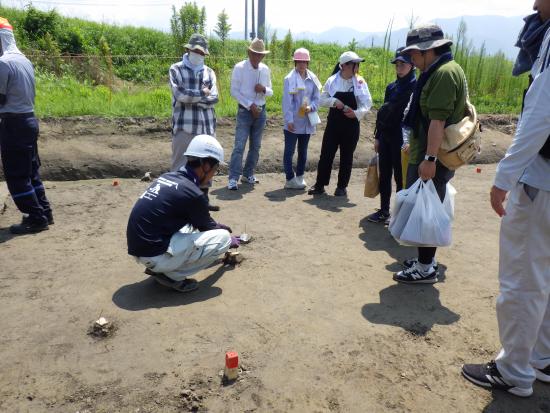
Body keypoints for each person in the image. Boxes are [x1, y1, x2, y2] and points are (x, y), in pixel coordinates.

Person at [462, 0, 550, 397]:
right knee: (544, 276)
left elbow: (540, 115)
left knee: (522, 279)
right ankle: (542, 358)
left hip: (541, 182)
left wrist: (505, 176)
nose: (533, 1)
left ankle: (514, 370)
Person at [393, 24, 467, 284]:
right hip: (427, 151)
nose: (411, 59)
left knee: (426, 211)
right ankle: (426, 259)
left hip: (432, 156)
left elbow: (437, 121)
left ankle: (425, 268)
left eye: (414, 53)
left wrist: (430, 159)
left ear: (428, 51)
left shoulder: (443, 74)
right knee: (424, 207)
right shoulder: (439, 70)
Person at [127, 135, 239, 293]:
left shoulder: (168, 177)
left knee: (191, 227)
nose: (214, 174)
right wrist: (227, 236)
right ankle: (172, 275)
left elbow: (198, 221)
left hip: (141, 248)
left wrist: (214, 225)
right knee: (224, 238)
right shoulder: (193, 193)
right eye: (215, 169)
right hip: (153, 254)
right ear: (205, 165)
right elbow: (207, 228)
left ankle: (161, 266)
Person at [0, 17, 53, 235]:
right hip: (29, 120)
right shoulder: (24, 60)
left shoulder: (3, 63)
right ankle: (45, 212)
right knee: (31, 172)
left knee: (16, 175)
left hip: (13, 124)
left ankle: (35, 218)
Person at [308, 51, 372, 197]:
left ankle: (342, 187)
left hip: (351, 125)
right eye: (354, 64)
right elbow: (321, 99)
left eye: (357, 64)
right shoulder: (332, 81)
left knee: (347, 156)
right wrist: (334, 101)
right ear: (343, 66)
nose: (357, 67)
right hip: (334, 124)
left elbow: (367, 103)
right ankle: (320, 185)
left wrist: (355, 113)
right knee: (326, 154)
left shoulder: (360, 82)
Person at [169, 33, 220, 211]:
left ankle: (202, 206)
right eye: (196, 51)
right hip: (185, 127)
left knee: (206, 167)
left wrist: (195, 96)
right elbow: (180, 95)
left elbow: (214, 98)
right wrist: (202, 94)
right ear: (188, 50)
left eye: (202, 52)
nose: (199, 54)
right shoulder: (176, 69)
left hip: (206, 128)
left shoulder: (209, 72)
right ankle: (177, 207)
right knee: (180, 167)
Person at [367, 48, 416, 223]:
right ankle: (384, 210)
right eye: (397, 63)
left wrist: (411, 141)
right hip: (387, 136)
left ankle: (399, 214)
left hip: (402, 140)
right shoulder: (391, 87)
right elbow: (383, 114)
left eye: (403, 63)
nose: (399, 67)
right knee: (385, 174)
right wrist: (378, 137)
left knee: (401, 177)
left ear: (412, 65)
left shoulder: (416, 87)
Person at [227, 38, 273, 190]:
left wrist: (264, 89)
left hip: (261, 110)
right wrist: (250, 105)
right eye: (254, 53)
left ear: (263, 56)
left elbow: (270, 91)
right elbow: (234, 91)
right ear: (249, 52)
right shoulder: (239, 68)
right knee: (239, 145)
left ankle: (248, 174)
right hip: (244, 111)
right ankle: (233, 177)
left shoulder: (265, 69)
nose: (257, 57)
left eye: (260, 55)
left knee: (256, 146)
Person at [282, 48, 321, 190]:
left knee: (303, 151)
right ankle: (289, 178)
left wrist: (312, 107)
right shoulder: (289, 79)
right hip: (293, 122)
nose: (302, 64)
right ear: (295, 62)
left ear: (308, 62)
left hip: (307, 121)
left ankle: (300, 176)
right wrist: (289, 120)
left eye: (304, 61)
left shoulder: (313, 78)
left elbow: (318, 97)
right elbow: (287, 102)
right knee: (289, 151)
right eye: (299, 61)